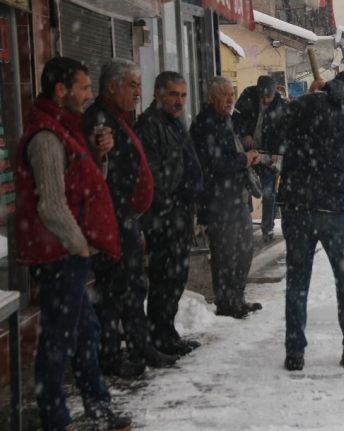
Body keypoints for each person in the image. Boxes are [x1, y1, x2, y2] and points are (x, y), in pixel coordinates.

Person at [15, 56, 131, 430]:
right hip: (60, 255)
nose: (87, 94)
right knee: (60, 340)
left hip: (68, 253)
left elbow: (84, 185)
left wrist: (100, 155)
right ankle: (55, 418)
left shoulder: (66, 128)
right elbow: (51, 204)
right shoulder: (47, 137)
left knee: (85, 334)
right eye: (82, 87)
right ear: (60, 90)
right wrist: (79, 245)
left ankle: (97, 409)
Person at [277, 69, 344, 371]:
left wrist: (307, 101)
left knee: (297, 282)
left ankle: (294, 351)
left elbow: (278, 133)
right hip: (332, 211)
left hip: (297, 207)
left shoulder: (308, 104)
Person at [83, 59, 177, 377]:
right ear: (112, 87)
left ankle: (140, 345)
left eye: (139, 85)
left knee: (134, 286)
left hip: (126, 219)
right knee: (114, 290)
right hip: (113, 220)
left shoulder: (119, 118)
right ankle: (111, 354)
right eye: (132, 85)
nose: (139, 92)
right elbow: (98, 172)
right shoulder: (99, 120)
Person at [136, 71, 203, 356]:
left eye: (183, 95)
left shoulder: (176, 123)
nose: (179, 101)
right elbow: (152, 176)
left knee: (176, 278)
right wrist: (168, 205)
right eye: (174, 94)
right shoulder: (149, 125)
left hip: (181, 212)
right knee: (163, 278)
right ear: (158, 95)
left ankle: (168, 332)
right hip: (164, 215)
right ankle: (159, 335)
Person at [191, 76, 263, 319]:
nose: (230, 99)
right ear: (212, 98)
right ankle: (226, 302)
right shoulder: (205, 125)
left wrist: (248, 155)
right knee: (224, 255)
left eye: (232, 93)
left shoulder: (229, 121)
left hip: (237, 196)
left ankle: (237, 297)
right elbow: (212, 164)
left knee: (244, 250)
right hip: (218, 200)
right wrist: (243, 159)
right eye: (225, 94)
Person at [234, 75, 287, 243]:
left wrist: (277, 151)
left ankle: (267, 227)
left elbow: (285, 132)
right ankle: (243, 225)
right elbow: (236, 118)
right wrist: (244, 134)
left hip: (267, 153)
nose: (264, 100)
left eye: (268, 97)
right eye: (261, 96)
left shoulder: (282, 106)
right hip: (247, 150)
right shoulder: (247, 96)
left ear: (274, 93)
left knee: (269, 191)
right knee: (243, 188)